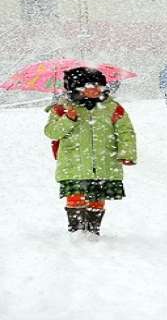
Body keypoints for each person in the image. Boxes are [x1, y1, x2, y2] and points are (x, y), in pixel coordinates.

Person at [44, 67, 137, 236]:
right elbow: (51, 132)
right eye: (91, 86)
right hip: (74, 163)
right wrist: (68, 119)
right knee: (75, 195)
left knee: (97, 196)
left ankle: (93, 229)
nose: (96, 89)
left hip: (104, 162)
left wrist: (127, 153)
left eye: (99, 86)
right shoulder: (62, 108)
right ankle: (77, 229)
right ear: (77, 88)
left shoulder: (112, 107)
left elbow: (125, 131)